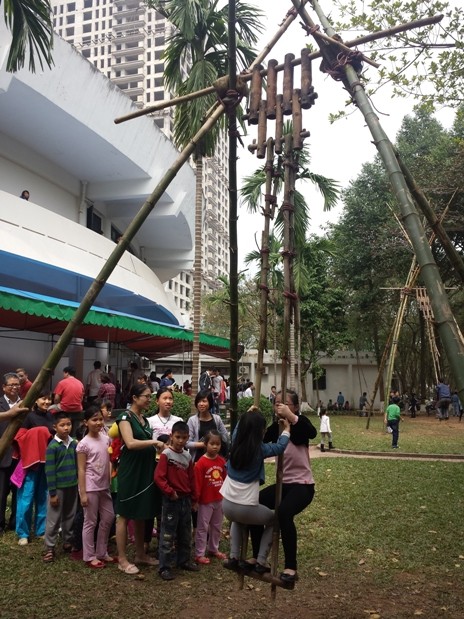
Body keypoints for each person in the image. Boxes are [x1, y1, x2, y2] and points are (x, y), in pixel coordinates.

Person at [250, 390, 317, 584]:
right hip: (282, 484)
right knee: (253, 503)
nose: (280, 406)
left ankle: (291, 567)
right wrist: (252, 417)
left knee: (284, 512)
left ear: (295, 406)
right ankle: (258, 557)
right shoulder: (275, 428)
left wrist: (292, 417)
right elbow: (257, 442)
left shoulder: (300, 423)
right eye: (277, 403)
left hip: (302, 485)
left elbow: (311, 433)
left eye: (285, 403)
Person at [222, 406, 291, 575]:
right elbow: (280, 447)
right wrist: (287, 430)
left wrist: (247, 413)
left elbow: (239, 428)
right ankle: (261, 561)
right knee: (275, 520)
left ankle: (233, 557)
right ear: (260, 432)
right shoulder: (260, 450)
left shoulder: (235, 443)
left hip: (226, 506)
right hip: (245, 508)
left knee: (237, 520)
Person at [115, 384, 164, 575]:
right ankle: (122, 558)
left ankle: (140, 554)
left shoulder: (143, 420)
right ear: (135, 398)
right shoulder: (125, 418)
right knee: (124, 513)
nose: (149, 400)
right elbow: (130, 443)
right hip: (130, 471)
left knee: (141, 511)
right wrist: (154, 442)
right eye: (146, 396)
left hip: (145, 470)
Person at [155, 420, 200, 580]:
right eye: (178, 437)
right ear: (171, 436)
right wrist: (169, 492)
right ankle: (164, 566)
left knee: (185, 532)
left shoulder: (187, 456)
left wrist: (195, 499)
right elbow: (159, 477)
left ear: (188, 438)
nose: (181, 441)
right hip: (171, 500)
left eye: (184, 437)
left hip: (185, 501)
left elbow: (192, 479)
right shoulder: (166, 455)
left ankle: (183, 560)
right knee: (168, 534)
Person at [13, 388, 54, 545]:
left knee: (44, 497)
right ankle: (22, 533)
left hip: (47, 463)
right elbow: (20, 437)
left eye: (49, 399)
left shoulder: (51, 416)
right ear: (35, 400)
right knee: (26, 497)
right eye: (43, 399)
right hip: (31, 464)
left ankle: (40, 530)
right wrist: (40, 432)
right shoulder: (28, 417)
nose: (46, 402)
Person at [76, 406, 114, 568]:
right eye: (94, 419)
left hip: (104, 486)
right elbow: (81, 469)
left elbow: (110, 459)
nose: (98, 422)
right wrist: (83, 493)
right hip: (90, 487)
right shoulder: (83, 444)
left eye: (100, 419)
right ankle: (89, 556)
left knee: (108, 517)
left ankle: (101, 551)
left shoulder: (106, 439)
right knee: (90, 521)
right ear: (86, 422)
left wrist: (110, 475)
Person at [43, 412, 78, 562]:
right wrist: (52, 493)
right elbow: (49, 471)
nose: (66, 428)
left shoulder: (74, 443)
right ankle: (49, 547)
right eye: (62, 425)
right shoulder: (52, 447)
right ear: (54, 427)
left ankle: (67, 541)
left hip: (72, 485)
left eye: (68, 424)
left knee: (70, 515)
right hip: (58, 489)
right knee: (54, 517)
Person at [194, 430, 227, 565]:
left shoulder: (222, 461)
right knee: (202, 527)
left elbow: (225, 479)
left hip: (219, 500)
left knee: (217, 525)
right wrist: (195, 500)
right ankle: (199, 553)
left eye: (217, 444)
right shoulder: (200, 463)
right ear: (205, 444)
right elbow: (197, 483)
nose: (215, 447)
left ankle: (213, 548)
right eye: (212, 443)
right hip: (205, 502)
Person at [0, 372, 22, 533]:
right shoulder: (0, 403)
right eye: (11, 385)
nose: (15, 387)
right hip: (3, 454)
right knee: (1, 492)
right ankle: (0, 523)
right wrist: (10, 413)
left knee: (18, 492)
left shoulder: (25, 403)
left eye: (17, 384)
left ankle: (14, 523)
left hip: (20, 455)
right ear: (4, 387)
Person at [187, 390, 229, 463]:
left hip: (216, 459)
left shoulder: (217, 419)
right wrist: (204, 444)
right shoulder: (192, 420)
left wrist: (215, 443)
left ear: (210, 402)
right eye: (199, 401)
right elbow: (187, 443)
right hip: (198, 461)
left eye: (204, 401)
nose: (201, 404)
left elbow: (225, 437)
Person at [53, 366, 85, 437]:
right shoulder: (80, 383)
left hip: (65, 408)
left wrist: (57, 404)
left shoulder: (62, 383)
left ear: (67, 373)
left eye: (63, 373)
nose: (63, 375)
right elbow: (81, 398)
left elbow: (56, 399)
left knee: (50, 408)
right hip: (77, 409)